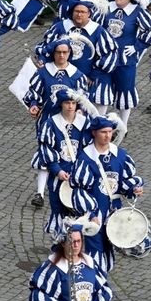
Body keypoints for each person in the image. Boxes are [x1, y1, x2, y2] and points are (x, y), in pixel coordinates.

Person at [68, 115, 144, 275]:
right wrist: (92, 214)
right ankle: (95, 285)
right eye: (104, 132)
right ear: (94, 133)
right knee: (94, 251)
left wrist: (133, 189)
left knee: (108, 249)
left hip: (113, 214)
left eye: (110, 132)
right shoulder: (85, 158)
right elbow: (80, 190)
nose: (108, 136)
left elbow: (124, 182)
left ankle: (100, 282)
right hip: (93, 215)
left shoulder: (120, 156)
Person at [96, 0, 151, 125]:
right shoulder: (107, 7)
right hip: (106, 58)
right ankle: (99, 124)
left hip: (125, 61)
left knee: (125, 90)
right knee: (102, 91)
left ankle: (123, 126)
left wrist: (138, 46)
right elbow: (95, 28)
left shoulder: (137, 11)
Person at [31, 88, 90, 217]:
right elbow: (47, 151)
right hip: (59, 177)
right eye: (67, 103)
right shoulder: (50, 124)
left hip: (80, 177)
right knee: (59, 215)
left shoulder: (85, 123)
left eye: (73, 103)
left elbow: (89, 150)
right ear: (61, 104)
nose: (70, 106)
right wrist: (58, 170)